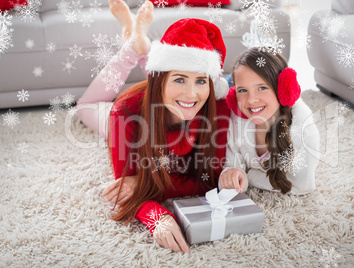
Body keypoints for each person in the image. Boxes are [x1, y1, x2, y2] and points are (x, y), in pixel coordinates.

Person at [77, 0, 231, 254]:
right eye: (181, 79)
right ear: (157, 81)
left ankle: (141, 44)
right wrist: (155, 215)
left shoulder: (216, 107)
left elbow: (209, 181)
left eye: (201, 80)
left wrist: (144, 183)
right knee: (86, 107)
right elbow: (123, 187)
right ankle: (133, 48)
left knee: (178, 91)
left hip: (159, 97)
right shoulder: (124, 113)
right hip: (138, 114)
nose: (193, 94)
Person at [219, 47, 320, 195]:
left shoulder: (304, 129)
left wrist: (249, 175)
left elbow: (302, 185)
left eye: (261, 87)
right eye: (242, 90)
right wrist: (231, 175)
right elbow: (231, 163)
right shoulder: (237, 119)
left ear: (283, 89)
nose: (251, 100)